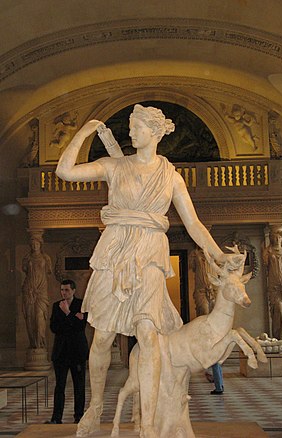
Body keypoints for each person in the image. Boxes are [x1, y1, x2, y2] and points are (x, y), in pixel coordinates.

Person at [56, 104, 244, 438]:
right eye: (129, 127)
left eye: (137, 127)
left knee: (149, 336)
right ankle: (95, 405)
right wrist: (83, 132)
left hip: (150, 255)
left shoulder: (171, 177)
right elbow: (65, 171)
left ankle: (148, 425)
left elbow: (194, 224)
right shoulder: (115, 166)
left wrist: (217, 254)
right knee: (102, 338)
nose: (130, 133)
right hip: (115, 251)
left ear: (154, 132)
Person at [45, 279, 89, 424]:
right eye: (62, 290)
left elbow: (80, 327)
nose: (63, 293)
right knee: (59, 386)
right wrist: (73, 318)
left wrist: (68, 313)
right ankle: (56, 418)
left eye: (67, 290)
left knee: (79, 386)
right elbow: (54, 327)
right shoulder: (56, 305)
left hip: (77, 353)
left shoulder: (81, 304)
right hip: (61, 353)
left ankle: (79, 417)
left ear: (73, 291)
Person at [262, 227, 282, 343]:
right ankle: (278, 339)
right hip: (274, 285)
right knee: (279, 310)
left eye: (279, 237)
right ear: (271, 238)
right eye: (274, 237)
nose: (277, 239)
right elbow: (266, 264)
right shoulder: (268, 251)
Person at [22, 233, 52, 349]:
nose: (35, 246)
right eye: (33, 244)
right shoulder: (27, 258)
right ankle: (33, 344)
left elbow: (48, 272)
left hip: (42, 290)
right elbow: (25, 270)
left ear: (41, 245)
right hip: (29, 288)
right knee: (30, 317)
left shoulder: (46, 258)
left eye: (37, 244)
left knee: (40, 317)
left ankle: (41, 344)